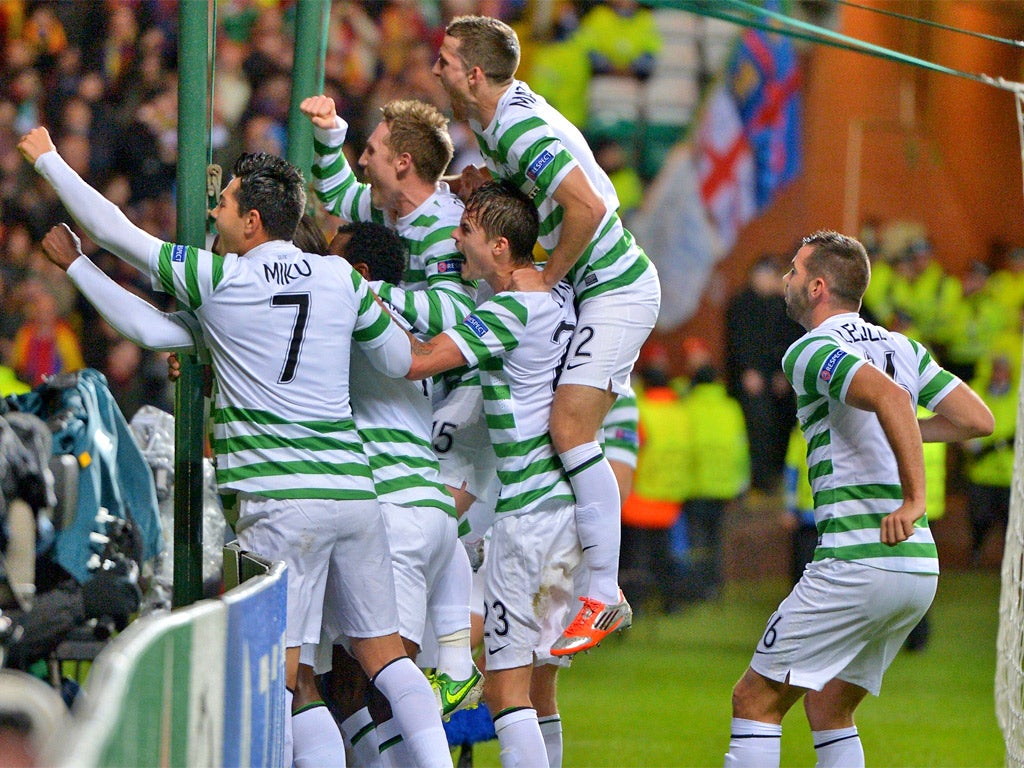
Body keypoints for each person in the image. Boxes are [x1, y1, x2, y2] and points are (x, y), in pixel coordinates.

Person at [21, 127, 452, 768]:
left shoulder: (219, 280)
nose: (212, 213)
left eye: (222, 206)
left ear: (251, 221)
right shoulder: (339, 277)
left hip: (282, 503)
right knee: (384, 655)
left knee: (279, 672)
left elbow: (116, 234)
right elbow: (395, 357)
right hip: (355, 494)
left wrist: (49, 163)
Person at [433, 14, 662, 655]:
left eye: (445, 60)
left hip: (615, 288)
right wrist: (488, 190)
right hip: (595, 290)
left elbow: (588, 207)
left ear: (474, 74)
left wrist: (546, 279)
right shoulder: (495, 121)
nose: (436, 69)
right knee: (553, 423)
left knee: (568, 428)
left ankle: (603, 592)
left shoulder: (516, 126)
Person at [725, 230, 994, 768]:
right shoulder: (903, 346)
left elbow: (889, 398)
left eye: (795, 271)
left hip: (857, 558)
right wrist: (907, 434)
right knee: (829, 707)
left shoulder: (810, 350)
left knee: (754, 700)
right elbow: (976, 420)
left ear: (818, 287)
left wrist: (914, 497)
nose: (786, 280)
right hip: (915, 568)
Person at [302, 93, 485, 716]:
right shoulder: (387, 210)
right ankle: (455, 663)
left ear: (404, 163)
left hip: (456, 403)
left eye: (372, 152)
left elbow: (456, 310)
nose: (363, 162)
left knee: (386, 650)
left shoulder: (445, 226)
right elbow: (337, 200)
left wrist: (366, 291)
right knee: (436, 535)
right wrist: (332, 133)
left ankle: (453, 671)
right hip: (410, 402)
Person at [404, 180, 581, 768]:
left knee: (506, 689)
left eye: (468, 233)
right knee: (538, 683)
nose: (456, 240)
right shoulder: (560, 299)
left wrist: (355, 301)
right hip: (567, 513)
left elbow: (421, 361)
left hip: (529, 518)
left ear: (500, 248)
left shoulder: (509, 309)